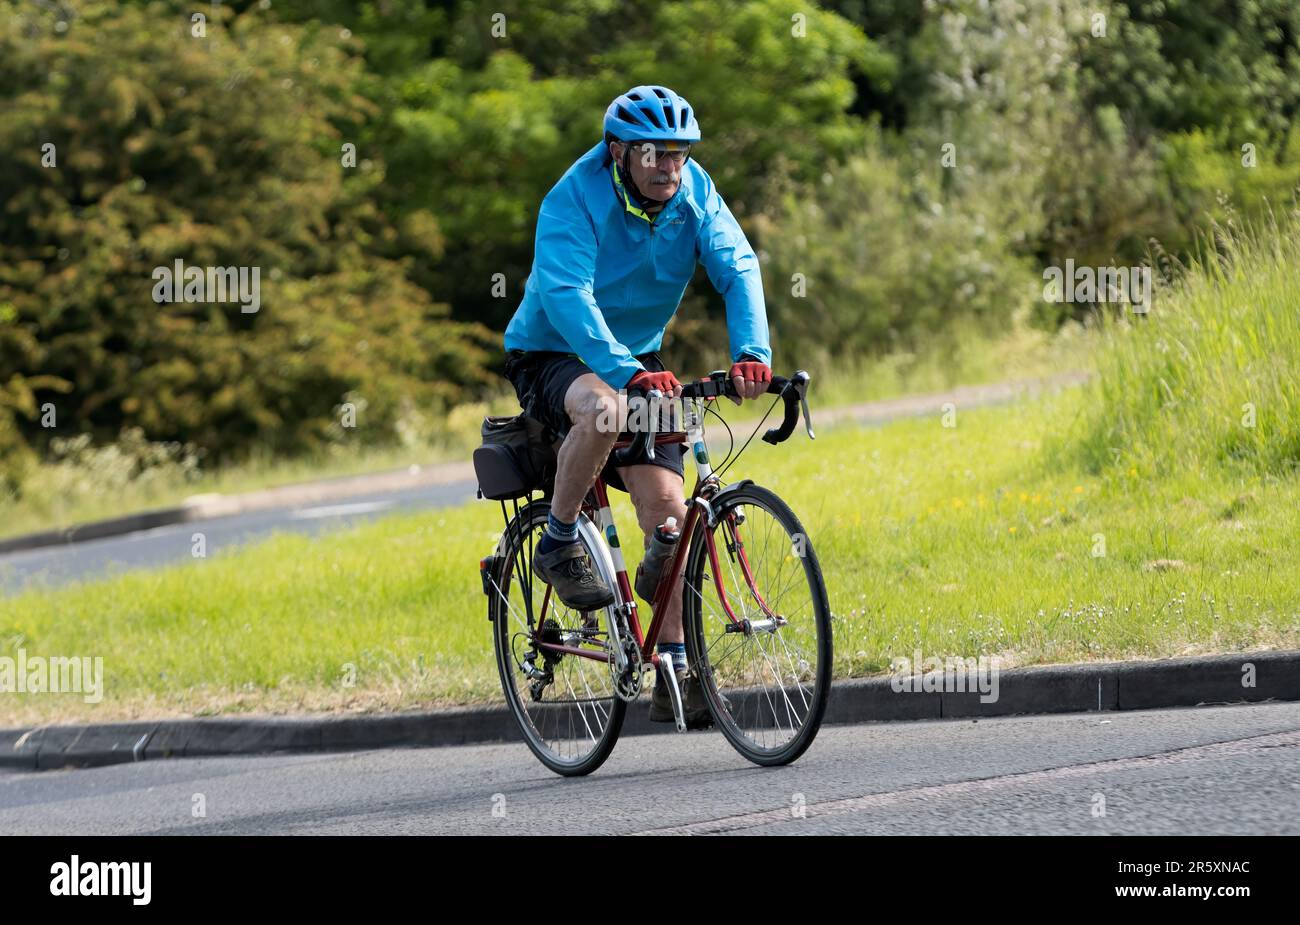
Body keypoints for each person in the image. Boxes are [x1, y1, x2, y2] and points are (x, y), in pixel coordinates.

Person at [501, 85, 772, 727]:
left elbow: (738, 265)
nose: (669, 168)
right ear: (619, 150)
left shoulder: (694, 190)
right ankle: (561, 540)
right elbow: (566, 295)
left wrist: (751, 352)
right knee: (603, 411)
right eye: (654, 154)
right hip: (553, 350)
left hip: (636, 358)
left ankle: (676, 664)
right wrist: (623, 373)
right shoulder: (574, 197)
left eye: (678, 155)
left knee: (670, 520)